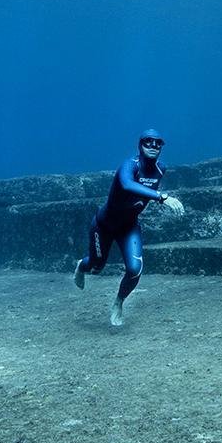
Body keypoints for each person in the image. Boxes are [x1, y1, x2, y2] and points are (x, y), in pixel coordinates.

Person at [73, 129, 183, 326]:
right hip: (104, 226)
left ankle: (118, 302)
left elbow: (145, 189)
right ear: (140, 145)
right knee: (96, 266)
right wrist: (161, 197)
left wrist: (156, 195)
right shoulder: (129, 165)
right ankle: (82, 265)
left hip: (129, 227)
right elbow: (126, 184)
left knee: (134, 269)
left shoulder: (161, 169)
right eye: (148, 142)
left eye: (158, 143)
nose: (153, 146)